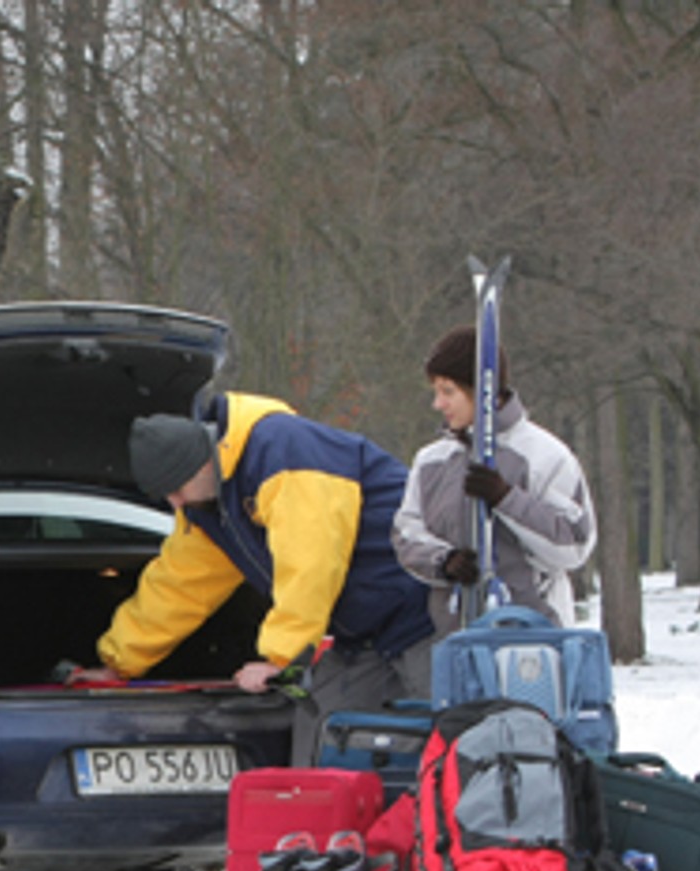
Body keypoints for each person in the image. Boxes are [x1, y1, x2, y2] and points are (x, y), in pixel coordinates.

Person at [63, 394, 435, 766]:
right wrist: (119, 663)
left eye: (178, 488)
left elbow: (310, 561)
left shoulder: (285, 453)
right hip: (363, 636)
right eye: (166, 497)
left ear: (203, 461)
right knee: (319, 748)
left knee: (437, 753)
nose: (176, 504)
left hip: (424, 616)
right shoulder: (210, 504)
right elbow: (179, 586)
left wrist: (280, 659)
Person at [393, 325, 596, 633]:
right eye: (436, 392)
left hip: (534, 639)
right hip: (457, 639)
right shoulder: (431, 462)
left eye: (448, 392)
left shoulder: (544, 457)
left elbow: (573, 545)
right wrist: (445, 562)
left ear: (482, 391)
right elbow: (406, 534)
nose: (438, 404)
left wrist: (506, 499)